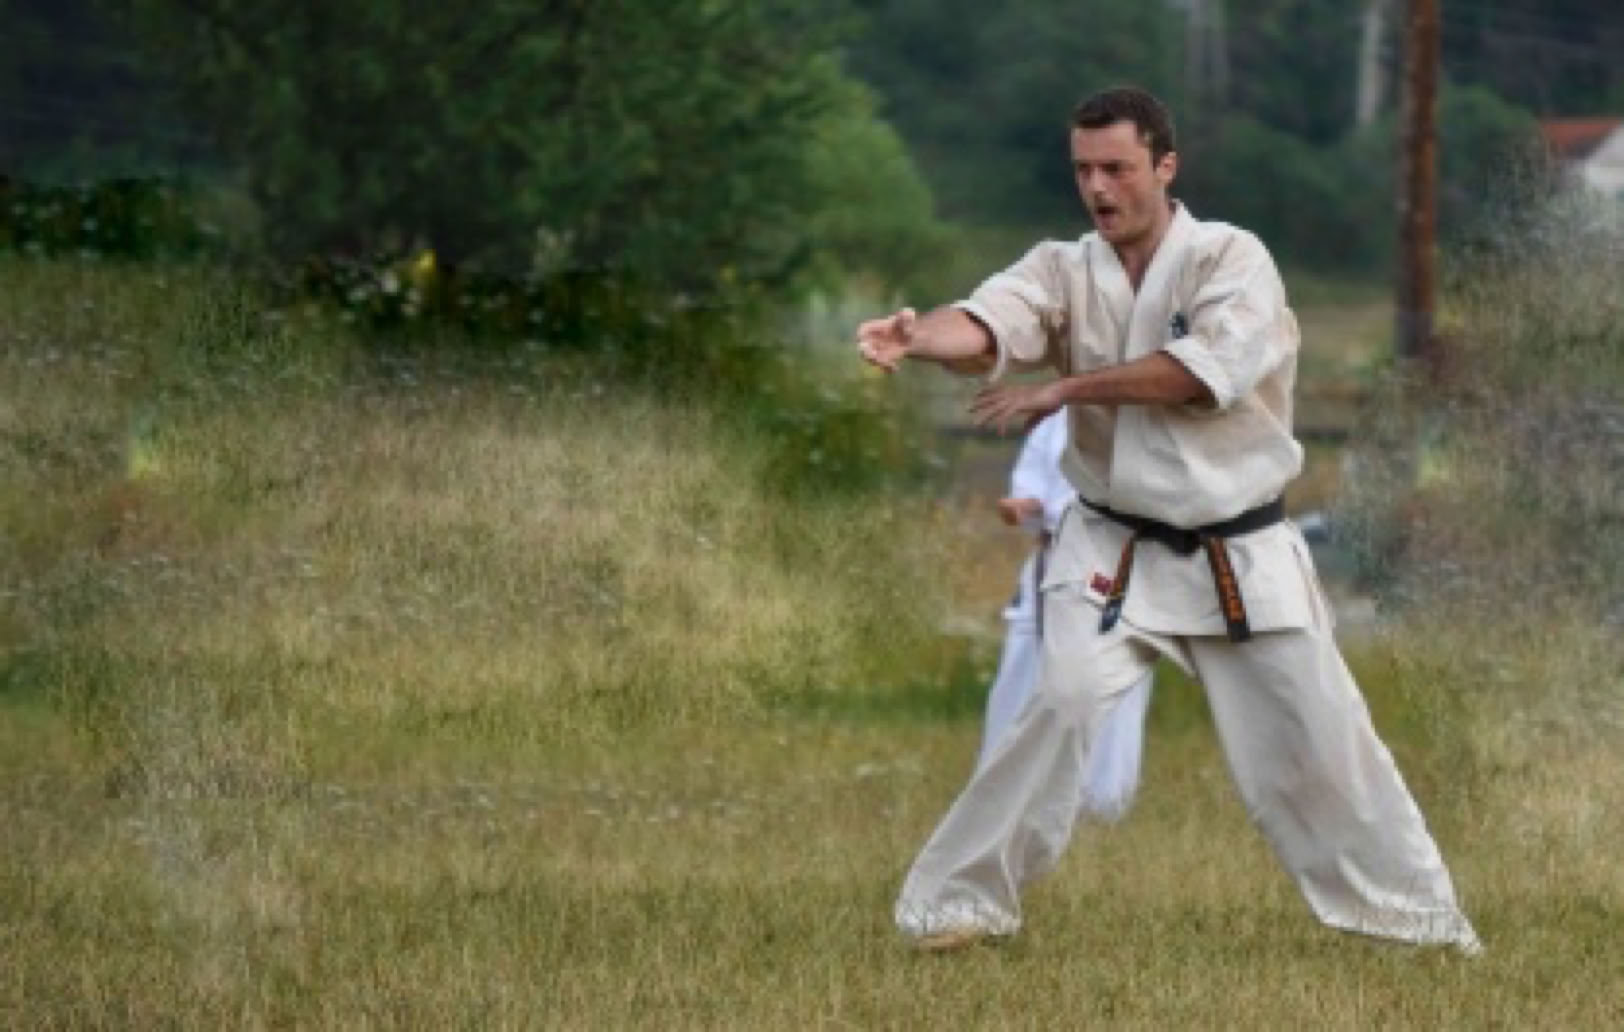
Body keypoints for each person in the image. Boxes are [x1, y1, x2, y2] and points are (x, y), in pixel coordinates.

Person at [855, 86, 1480, 954]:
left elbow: (1197, 375)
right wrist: (917, 336)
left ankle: (1415, 925)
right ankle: (956, 906)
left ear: (1165, 166)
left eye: (1117, 168)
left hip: (1241, 548)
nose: (1099, 188)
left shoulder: (1233, 260)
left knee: (1319, 746)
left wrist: (1065, 388)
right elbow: (990, 318)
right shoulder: (1063, 268)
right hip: (1112, 544)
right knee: (1061, 705)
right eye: (1083, 171)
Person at [979, 410, 1152, 823]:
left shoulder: (1147, 418)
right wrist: (1023, 507)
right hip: (1053, 558)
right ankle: (1002, 796)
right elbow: (1031, 490)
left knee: (1115, 679)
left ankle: (1103, 800)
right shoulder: (1056, 419)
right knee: (1023, 672)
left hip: (1119, 560)